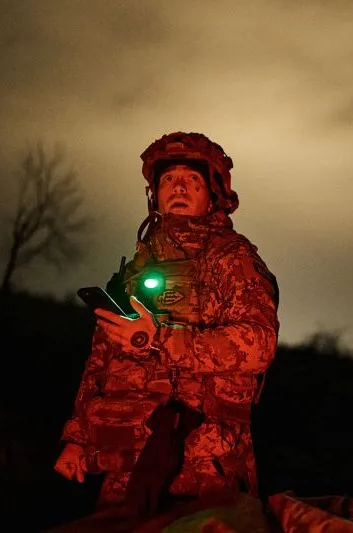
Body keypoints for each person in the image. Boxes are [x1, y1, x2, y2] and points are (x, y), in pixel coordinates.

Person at [53, 131, 280, 521]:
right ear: (154, 193)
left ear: (213, 195)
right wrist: (76, 439)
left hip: (203, 462)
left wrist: (159, 339)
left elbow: (258, 345)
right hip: (126, 463)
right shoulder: (135, 271)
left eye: (192, 180)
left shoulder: (231, 257)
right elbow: (100, 361)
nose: (178, 187)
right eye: (168, 180)